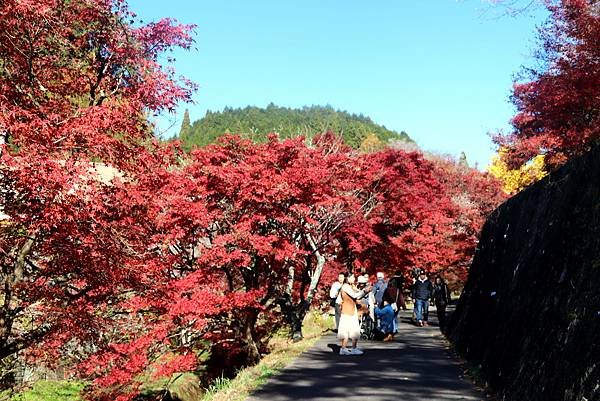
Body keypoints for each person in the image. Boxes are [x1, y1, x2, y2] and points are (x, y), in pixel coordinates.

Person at [338, 273, 370, 355]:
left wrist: (365, 292)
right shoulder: (345, 286)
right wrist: (364, 291)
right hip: (347, 311)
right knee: (346, 330)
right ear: (348, 278)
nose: (354, 279)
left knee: (354, 330)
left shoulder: (351, 286)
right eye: (352, 277)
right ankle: (344, 348)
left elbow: (359, 295)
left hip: (352, 310)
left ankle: (352, 348)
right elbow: (355, 295)